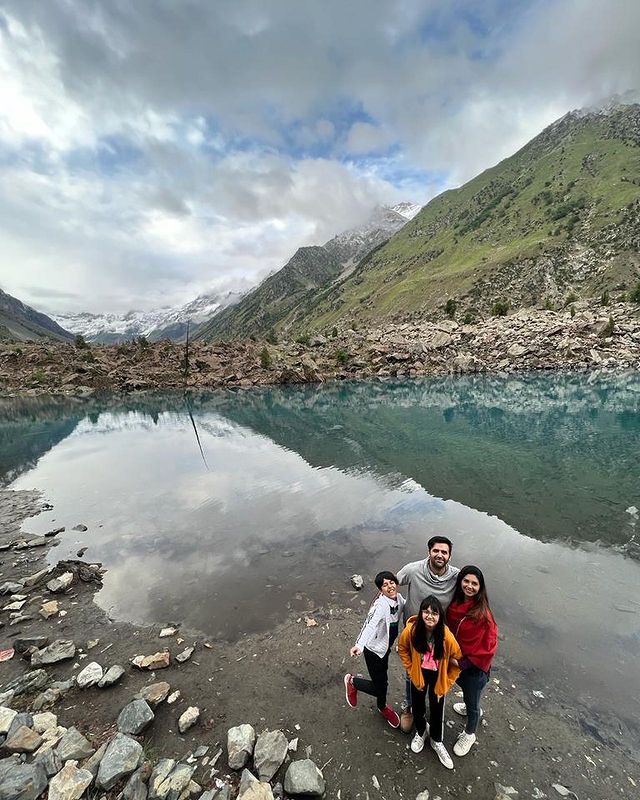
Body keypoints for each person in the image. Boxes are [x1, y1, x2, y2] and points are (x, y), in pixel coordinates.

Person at [397, 536, 459, 732]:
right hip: (414, 634)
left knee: (436, 674)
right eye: (436, 551)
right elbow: (391, 584)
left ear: (450, 556)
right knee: (411, 673)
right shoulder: (414, 569)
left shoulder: (456, 577)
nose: (440, 555)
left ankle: (433, 708)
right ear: (429, 552)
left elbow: (473, 592)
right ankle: (409, 706)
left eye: (444, 552)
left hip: (438, 638)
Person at [398, 595, 462, 769]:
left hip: (438, 676)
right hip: (419, 674)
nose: (429, 616)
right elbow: (402, 648)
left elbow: (458, 661)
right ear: (420, 614)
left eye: (434, 613)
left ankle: (436, 740)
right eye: (425, 612)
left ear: (440, 616)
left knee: (437, 708)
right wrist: (411, 669)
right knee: (418, 706)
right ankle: (420, 732)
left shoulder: (446, 637)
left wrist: (447, 682)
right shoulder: (411, 631)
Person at [446, 565, 498, 757]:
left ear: (480, 587)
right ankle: (470, 708)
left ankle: (470, 733)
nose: (469, 586)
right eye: (466, 581)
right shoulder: (454, 605)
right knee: (466, 696)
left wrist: (462, 664)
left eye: (474, 583)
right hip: (456, 662)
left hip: (473, 669)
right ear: (460, 582)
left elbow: (488, 649)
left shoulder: (483, 615)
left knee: (473, 701)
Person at [344, 571, 405, 728]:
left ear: (396, 583)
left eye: (391, 582)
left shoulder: (398, 599)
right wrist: (359, 645)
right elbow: (369, 625)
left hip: (385, 648)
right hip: (373, 650)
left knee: (382, 681)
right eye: (385, 585)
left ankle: (381, 706)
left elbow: (410, 607)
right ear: (380, 589)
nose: (389, 586)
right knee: (381, 686)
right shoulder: (380, 605)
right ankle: (353, 682)